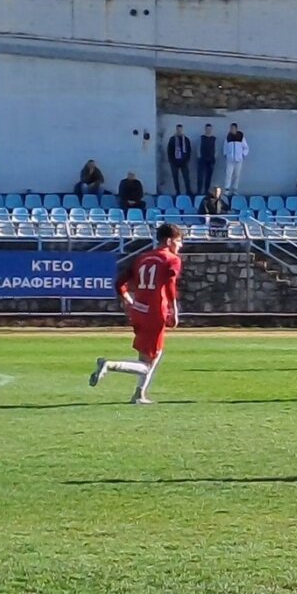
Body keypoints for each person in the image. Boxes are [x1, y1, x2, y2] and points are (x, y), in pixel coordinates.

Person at [88, 223, 183, 404]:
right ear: (169, 240)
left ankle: (139, 394)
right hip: (155, 312)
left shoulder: (142, 257)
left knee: (151, 355)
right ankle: (109, 365)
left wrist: (127, 299)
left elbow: (119, 283)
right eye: (178, 242)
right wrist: (174, 310)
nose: (180, 247)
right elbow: (170, 284)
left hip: (138, 310)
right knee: (147, 365)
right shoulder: (171, 259)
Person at [166, 124, 193, 195]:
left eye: (180, 129)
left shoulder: (186, 139)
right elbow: (169, 150)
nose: (179, 131)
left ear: (182, 130)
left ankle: (188, 191)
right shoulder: (172, 139)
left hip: (184, 161)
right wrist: (171, 161)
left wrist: (187, 160)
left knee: (186, 177)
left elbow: (189, 150)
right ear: (176, 130)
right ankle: (177, 191)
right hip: (174, 162)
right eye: (178, 129)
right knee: (175, 178)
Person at [223, 123, 248, 195]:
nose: (232, 129)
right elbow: (225, 147)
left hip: (239, 160)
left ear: (236, 129)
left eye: (233, 128)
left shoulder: (241, 137)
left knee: (237, 175)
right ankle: (227, 189)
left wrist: (243, 155)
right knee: (228, 174)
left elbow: (246, 148)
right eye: (231, 128)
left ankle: (235, 189)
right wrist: (226, 155)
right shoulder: (228, 137)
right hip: (230, 159)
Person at [197, 124, 218, 196]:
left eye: (210, 129)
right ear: (205, 129)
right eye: (207, 129)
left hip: (211, 160)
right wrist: (199, 157)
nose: (208, 130)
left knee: (208, 177)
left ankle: (206, 191)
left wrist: (214, 157)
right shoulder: (201, 138)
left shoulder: (214, 138)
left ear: (211, 130)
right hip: (202, 159)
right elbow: (198, 148)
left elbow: (216, 149)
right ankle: (199, 191)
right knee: (200, 176)